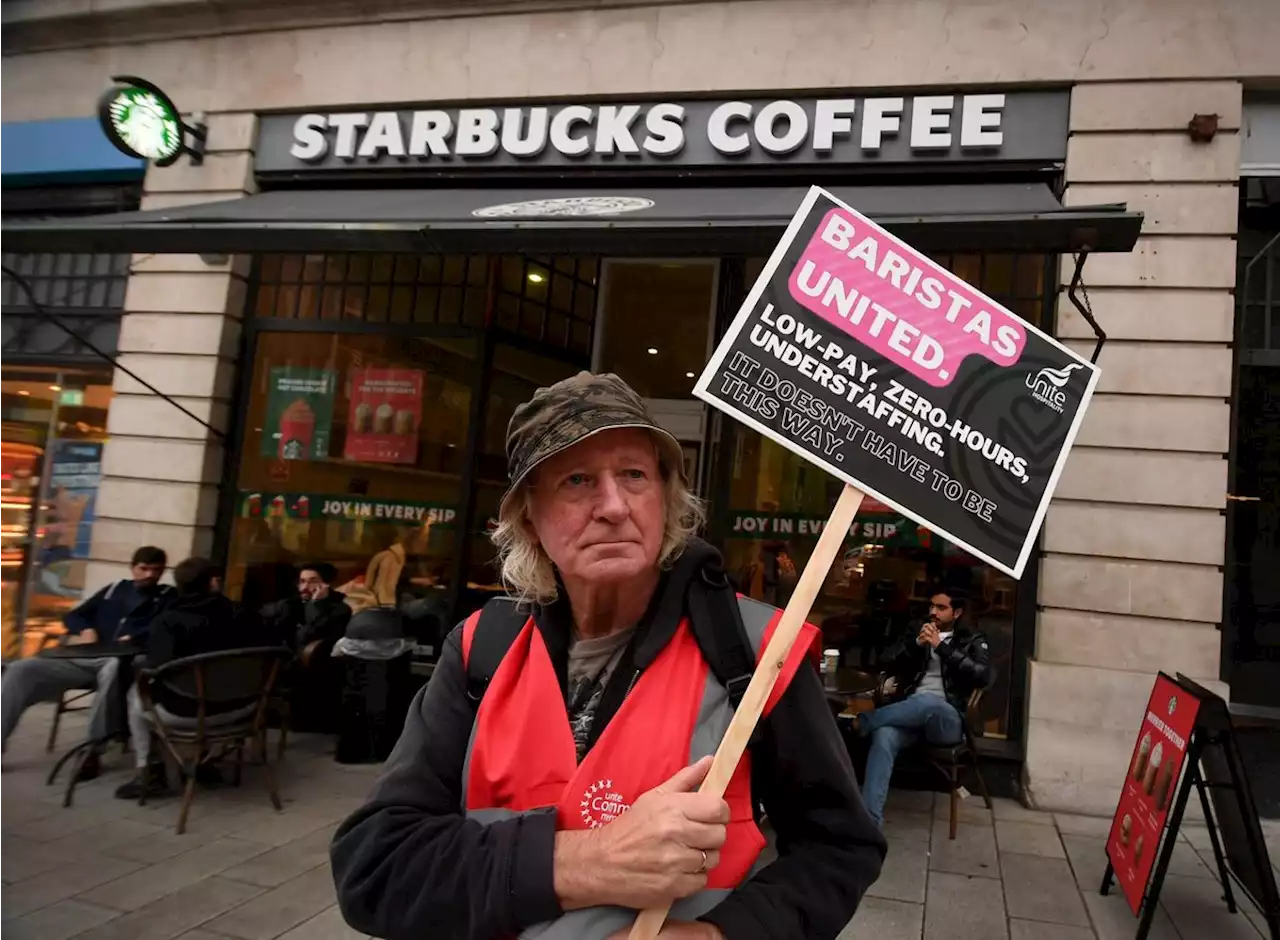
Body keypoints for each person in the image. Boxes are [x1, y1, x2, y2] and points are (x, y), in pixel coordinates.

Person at [330, 372, 885, 940]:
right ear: (527, 517)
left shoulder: (755, 651)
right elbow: (375, 868)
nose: (614, 506)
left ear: (665, 499)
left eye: (634, 475)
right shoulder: (480, 648)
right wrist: (590, 861)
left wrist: (721, 936)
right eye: (577, 480)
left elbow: (839, 847)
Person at [0, 545, 172, 777]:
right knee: (20, 668)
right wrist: (85, 628)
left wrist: (136, 636)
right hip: (87, 657)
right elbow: (73, 615)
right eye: (144, 569)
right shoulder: (114, 590)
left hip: (126, 663)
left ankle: (93, 749)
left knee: (113, 666)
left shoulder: (167, 597)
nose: (150, 575)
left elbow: (167, 629)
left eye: (156, 570)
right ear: (133, 568)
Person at [116, 557, 255, 799]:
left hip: (188, 714)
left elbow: (158, 667)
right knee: (207, 685)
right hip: (245, 709)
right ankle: (203, 760)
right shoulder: (243, 615)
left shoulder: (168, 620)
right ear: (214, 583)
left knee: (138, 694)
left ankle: (150, 770)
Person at [856, 588, 992, 827]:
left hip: (947, 720)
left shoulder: (972, 639)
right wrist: (914, 645)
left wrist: (942, 647)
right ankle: (869, 824)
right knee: (884, 735)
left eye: (941, 608)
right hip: (910, 716)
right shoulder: (917, 631)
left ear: (957, 612)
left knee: (929, 701)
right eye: (932, 606)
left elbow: (982, 675)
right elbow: (884, 662)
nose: (933, 612)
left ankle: (864, 721)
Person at [261, 563, 351, 732]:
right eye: (302, 581)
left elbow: (305, 636)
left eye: (312, 581)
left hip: (316, 668)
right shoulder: (291, 604)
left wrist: (316, 605)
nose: (305, 587)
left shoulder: (340, 610)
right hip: (284, 660)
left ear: (325, 584)